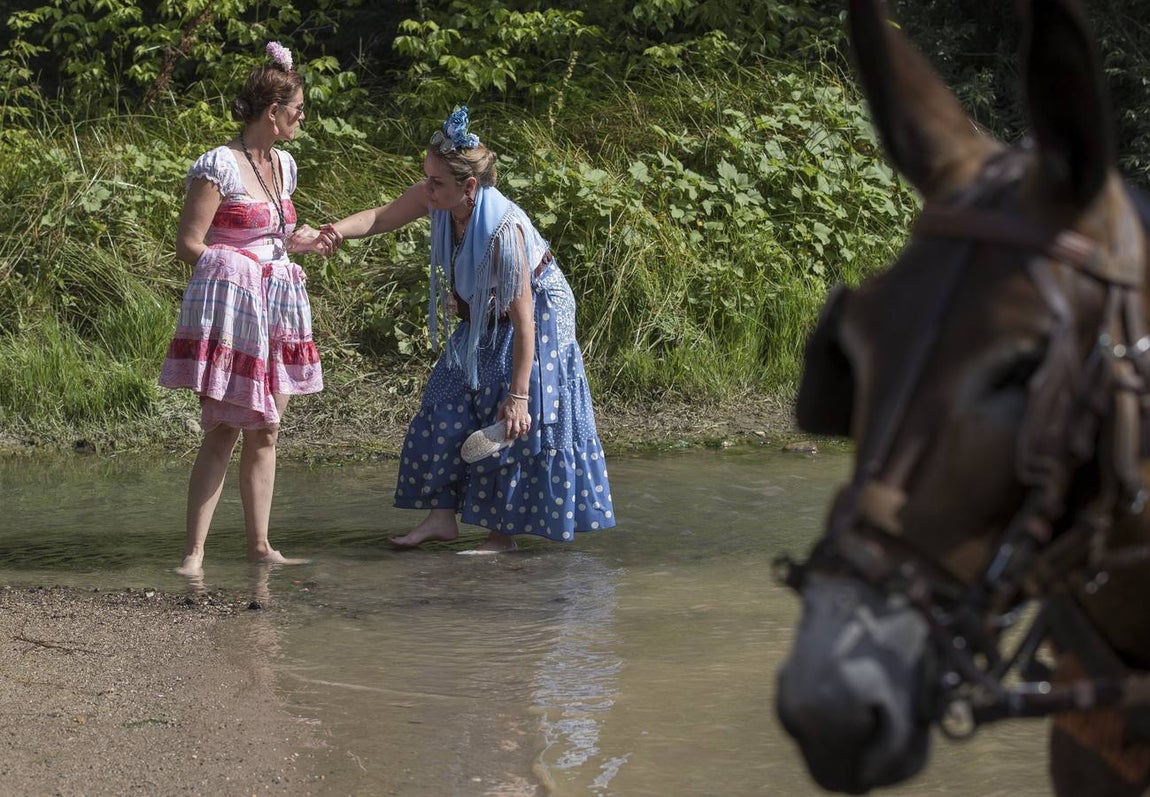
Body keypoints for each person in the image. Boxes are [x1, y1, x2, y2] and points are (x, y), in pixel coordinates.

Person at [319, 106, 615, 553]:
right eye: (427, 177)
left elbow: (525, 321)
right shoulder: (439, 198)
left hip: (539, 314)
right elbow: (381, 217)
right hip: (484, 310)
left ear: (469, 187)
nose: (427, 187)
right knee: (445, 396)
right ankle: (442, 518)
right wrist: (333, 233)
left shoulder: (503, 233)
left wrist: (519, 396)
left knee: (513, 416)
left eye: (436, 181)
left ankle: (502, 536)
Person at [160, 41, 329, 576]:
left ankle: (259, 545)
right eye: (298, 109)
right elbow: (189, 243)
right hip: (238, 310)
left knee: (268, 427)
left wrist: (297, 243)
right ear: (273, 112)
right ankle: (194, 553)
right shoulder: (219, 165)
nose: (302, 118)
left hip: (277, 304)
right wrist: (238, 266)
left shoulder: (286, 164)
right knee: (224, 430)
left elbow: (271, 234)